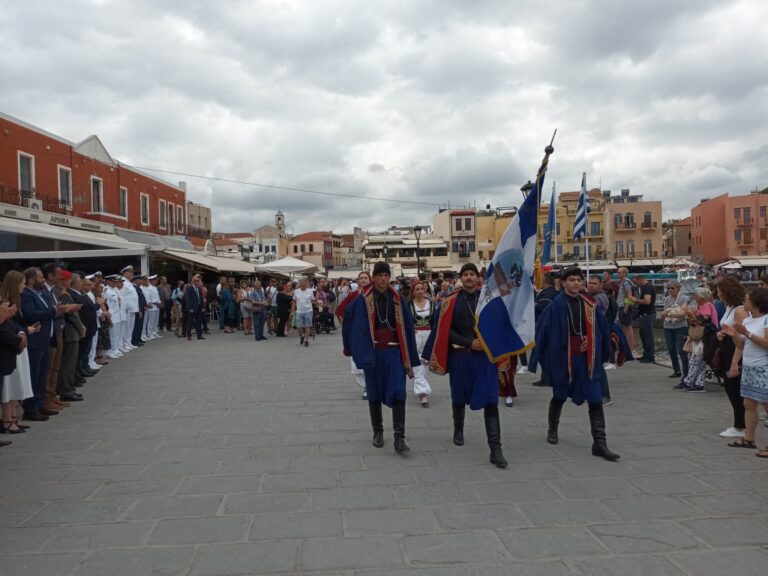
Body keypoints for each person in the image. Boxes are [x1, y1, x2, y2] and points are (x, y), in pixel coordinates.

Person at [422, 263, 508, 468]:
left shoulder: (489, 299)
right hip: (460, 356)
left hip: (486, 358)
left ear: (479, 278)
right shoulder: (449, 301)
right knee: (458, 397)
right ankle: (458, 429)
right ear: (461, 278)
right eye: (465, 274)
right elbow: (444, 330)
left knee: (490, 399)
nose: (469, 278)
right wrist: (470, 343)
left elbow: (499, 325)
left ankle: (495, 448)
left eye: (473, 274)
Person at [530, 266, 619, 461]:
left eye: (579, 280)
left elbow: (602, 329)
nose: (576, 283)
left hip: (588, 359)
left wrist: (592, 340)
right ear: (563, 283)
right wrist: (542, 360)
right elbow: (542, 334)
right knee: (559, 395)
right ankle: (553, 429)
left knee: (595, 398)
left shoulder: (590, 304)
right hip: (565, 359)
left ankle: (600, 443)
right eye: (572, 280)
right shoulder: (554, 307)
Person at [343, 261, 419, 453]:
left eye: (386, 275)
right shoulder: (363, 299)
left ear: (389, 277)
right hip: (373, 353)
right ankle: (377, 432)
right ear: (374, 277)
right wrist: (351, 347)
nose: (383, 279)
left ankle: (399, 436)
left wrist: (410, 355)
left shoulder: (399, 299)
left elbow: (408, 327)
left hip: (394, 353)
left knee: (399, 392)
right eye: (379, 275)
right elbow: (347, 318)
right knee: (374, 393)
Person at [721, 287, 768, 456]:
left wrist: (746, 333)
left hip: (763, 368)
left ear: (756, 302)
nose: (744, 301)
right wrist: (734, 335)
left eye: (747, 299)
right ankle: (749, 438)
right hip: (749, 367)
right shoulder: (748, 321)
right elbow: (741, 346)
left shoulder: (766, 320)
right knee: (748, 404)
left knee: (766, 405)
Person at [20, 267, 61, 420]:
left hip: (45, 340)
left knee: (42, 375)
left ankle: (40, 403)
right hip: (35, 342)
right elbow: (32, 314)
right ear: (31, 279)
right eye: (40, 277)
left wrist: (53, 310)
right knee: (33, 375)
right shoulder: (27, 295)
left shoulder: (41, 293)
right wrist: (53, 310)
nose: (43, 279)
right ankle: (30, 408)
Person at [0, 270, 35, 434]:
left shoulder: (16, 301)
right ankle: (7, 419)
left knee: (16, 383)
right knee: (9, 385)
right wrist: (20, 335)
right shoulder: (6, 302)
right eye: (21, 283)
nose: (23, 285)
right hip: (9, 347)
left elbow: (14, 325)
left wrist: (23, 332)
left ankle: (13, 416)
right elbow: (6, 326)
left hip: (17, 345)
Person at [716, 277, 748, 439]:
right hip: (726, 348)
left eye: (720, 291)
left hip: (735, 351)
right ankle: (740, 422)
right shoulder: (729, 307)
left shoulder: (740, 310)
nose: (718, 294)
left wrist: (736, 361)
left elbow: (741, 337)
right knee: (729, 387)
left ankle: (740, 425)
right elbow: (729, 329)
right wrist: (721, 334)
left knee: (735, 388)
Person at [675, 287, 719, 392]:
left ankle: (689, 381)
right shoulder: (703, 305)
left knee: (695, 360)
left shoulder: (706, 306)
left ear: (701, 296)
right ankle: (698, 383)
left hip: (705, 337)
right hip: (705, 336)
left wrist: (691, 315)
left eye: (696, 294)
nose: (694, 296)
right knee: (701, 361)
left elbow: (704, 320)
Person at [337, 271, 373, 399]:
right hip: (356, 333)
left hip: (371, 332)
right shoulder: (353, 295)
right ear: (358, 281)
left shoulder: (374, 294)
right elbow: (340, 310)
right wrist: (348, 324)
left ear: (370, 279)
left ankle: (372, 385)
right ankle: (365, 387)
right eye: (361, 278)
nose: (363, 280)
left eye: (365, 278)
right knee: (356, 360)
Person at [56, 270, 86, 403]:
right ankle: (66, 390)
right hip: (70, 332)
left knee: (69, 363)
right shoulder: (63, 294)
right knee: (68, 364)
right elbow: (71, 315)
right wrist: (80, 328)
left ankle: (67, 388)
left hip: (70, 332)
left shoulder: (62, 292)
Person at [587, 275, 612, 405]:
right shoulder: (589, 296)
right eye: (589, 283)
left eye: (594, 283)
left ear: (601, 285)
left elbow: (590, 307)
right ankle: (592, 392)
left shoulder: (600, 298)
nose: (591, 285)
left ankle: (605, 395)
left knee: (598, 366)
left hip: (598, 335)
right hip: (590, 334)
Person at [531, 272, 559, 387]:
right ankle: (546, 376)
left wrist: (535, 305)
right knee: (543, 354)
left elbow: (545, 306)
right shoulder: (550, 292)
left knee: (544, 354)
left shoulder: (549, 293)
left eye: (542, 279)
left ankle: (547, 378)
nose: (541, 280)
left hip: (545, 328)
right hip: (545, 327)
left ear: (546, 281)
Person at [409, 280, 433, 408]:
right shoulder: (409, 306)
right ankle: (423, 393)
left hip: (429, 336)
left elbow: (436, 322)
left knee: (425, 363)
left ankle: (420, 383)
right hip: (416, 336)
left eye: (422, 289)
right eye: (417, 289)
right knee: (417, 363)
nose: (420, 291)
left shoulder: (432, 304)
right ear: (412, 292)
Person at [660, 281, 689, 380]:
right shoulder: (667, 299)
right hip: (668, 326)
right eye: (669, 288)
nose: (670, 290)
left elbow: (683, 314)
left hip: (680, 327)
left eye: (672, 288)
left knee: (681, 350)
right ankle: (676, 370)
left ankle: (686, 372)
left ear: (678, 288)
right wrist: (669, 314)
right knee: (671, 349)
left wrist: (668, 313)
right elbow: (663, 313)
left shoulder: (684, 298)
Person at [630, 274, 656, 363]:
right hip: (644, 314)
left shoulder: (646, 287)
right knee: (643, 335)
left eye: (635, 281)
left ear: (639, 279)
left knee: (647, 336)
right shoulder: (644, 287)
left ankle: (650, 357)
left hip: (647, 314)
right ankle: (646, 354)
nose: (635, 283)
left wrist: (635, 300)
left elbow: (647, 301)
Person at [120, 265, 140, 352]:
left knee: (130, 327)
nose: (132, 274)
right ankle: (125, 344)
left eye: (132, 272)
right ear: (124, 273)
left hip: (133, 308)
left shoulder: (129, 283)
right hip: (127, 309)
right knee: (126, 327)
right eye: (130, 272)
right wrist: (125, 307)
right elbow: (122, 296)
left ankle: (129, 342)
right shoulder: (123, 282)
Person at [616, 267, 636, 352]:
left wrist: (626, 308)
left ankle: (630, 348)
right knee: (625, 327)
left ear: (624, 273)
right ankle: (627, 347)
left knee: (628, 327)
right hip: (621, 306)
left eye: (619, 272)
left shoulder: (626, 282)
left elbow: (629, 295)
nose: (618, 274)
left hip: (624, 307)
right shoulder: (623, 282)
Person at [293, 277, 315, 348]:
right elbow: (294, 301)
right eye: (301, 284)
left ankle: (306, 340)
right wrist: (292, 311)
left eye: (304, 284)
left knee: (307, 326)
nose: (302, 285)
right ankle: (302, 336)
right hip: (299, 311)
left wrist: (316, 301)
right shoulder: (296, 291)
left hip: (308, 310)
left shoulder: (310, 291)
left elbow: (312, 300)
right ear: (299, 284)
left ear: (306, 284)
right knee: (299, 326)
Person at [183, 274, 205, 340]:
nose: (197, 282)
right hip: (192, 308)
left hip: (198, 307)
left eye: (198, 281)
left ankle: (199, 335)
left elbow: (201, 299)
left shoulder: (199, 289)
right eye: (195, 281)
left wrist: (203, 307)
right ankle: (189, 336)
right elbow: (187, 299)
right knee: (190, 322)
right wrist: (189, 308)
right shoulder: (189, 289)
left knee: (198, 322)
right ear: (192, 281)